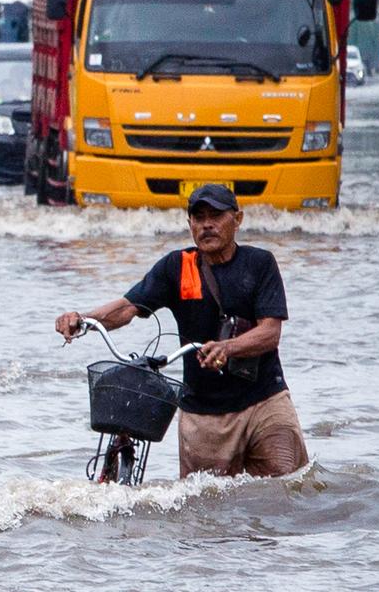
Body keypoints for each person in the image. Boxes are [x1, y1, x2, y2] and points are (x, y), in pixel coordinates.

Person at [55, 184, 309, 479]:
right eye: (198, 217)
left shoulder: (260, 263)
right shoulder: (177, 266)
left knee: (287, 485)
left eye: (216, 216)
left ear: (237, 219)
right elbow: (127, 308)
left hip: (265, 401)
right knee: (206, 508)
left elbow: (270, 333)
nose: (207, 225)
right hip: (203, 415)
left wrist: (228, 348)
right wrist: (81, 319)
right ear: (189, 224)